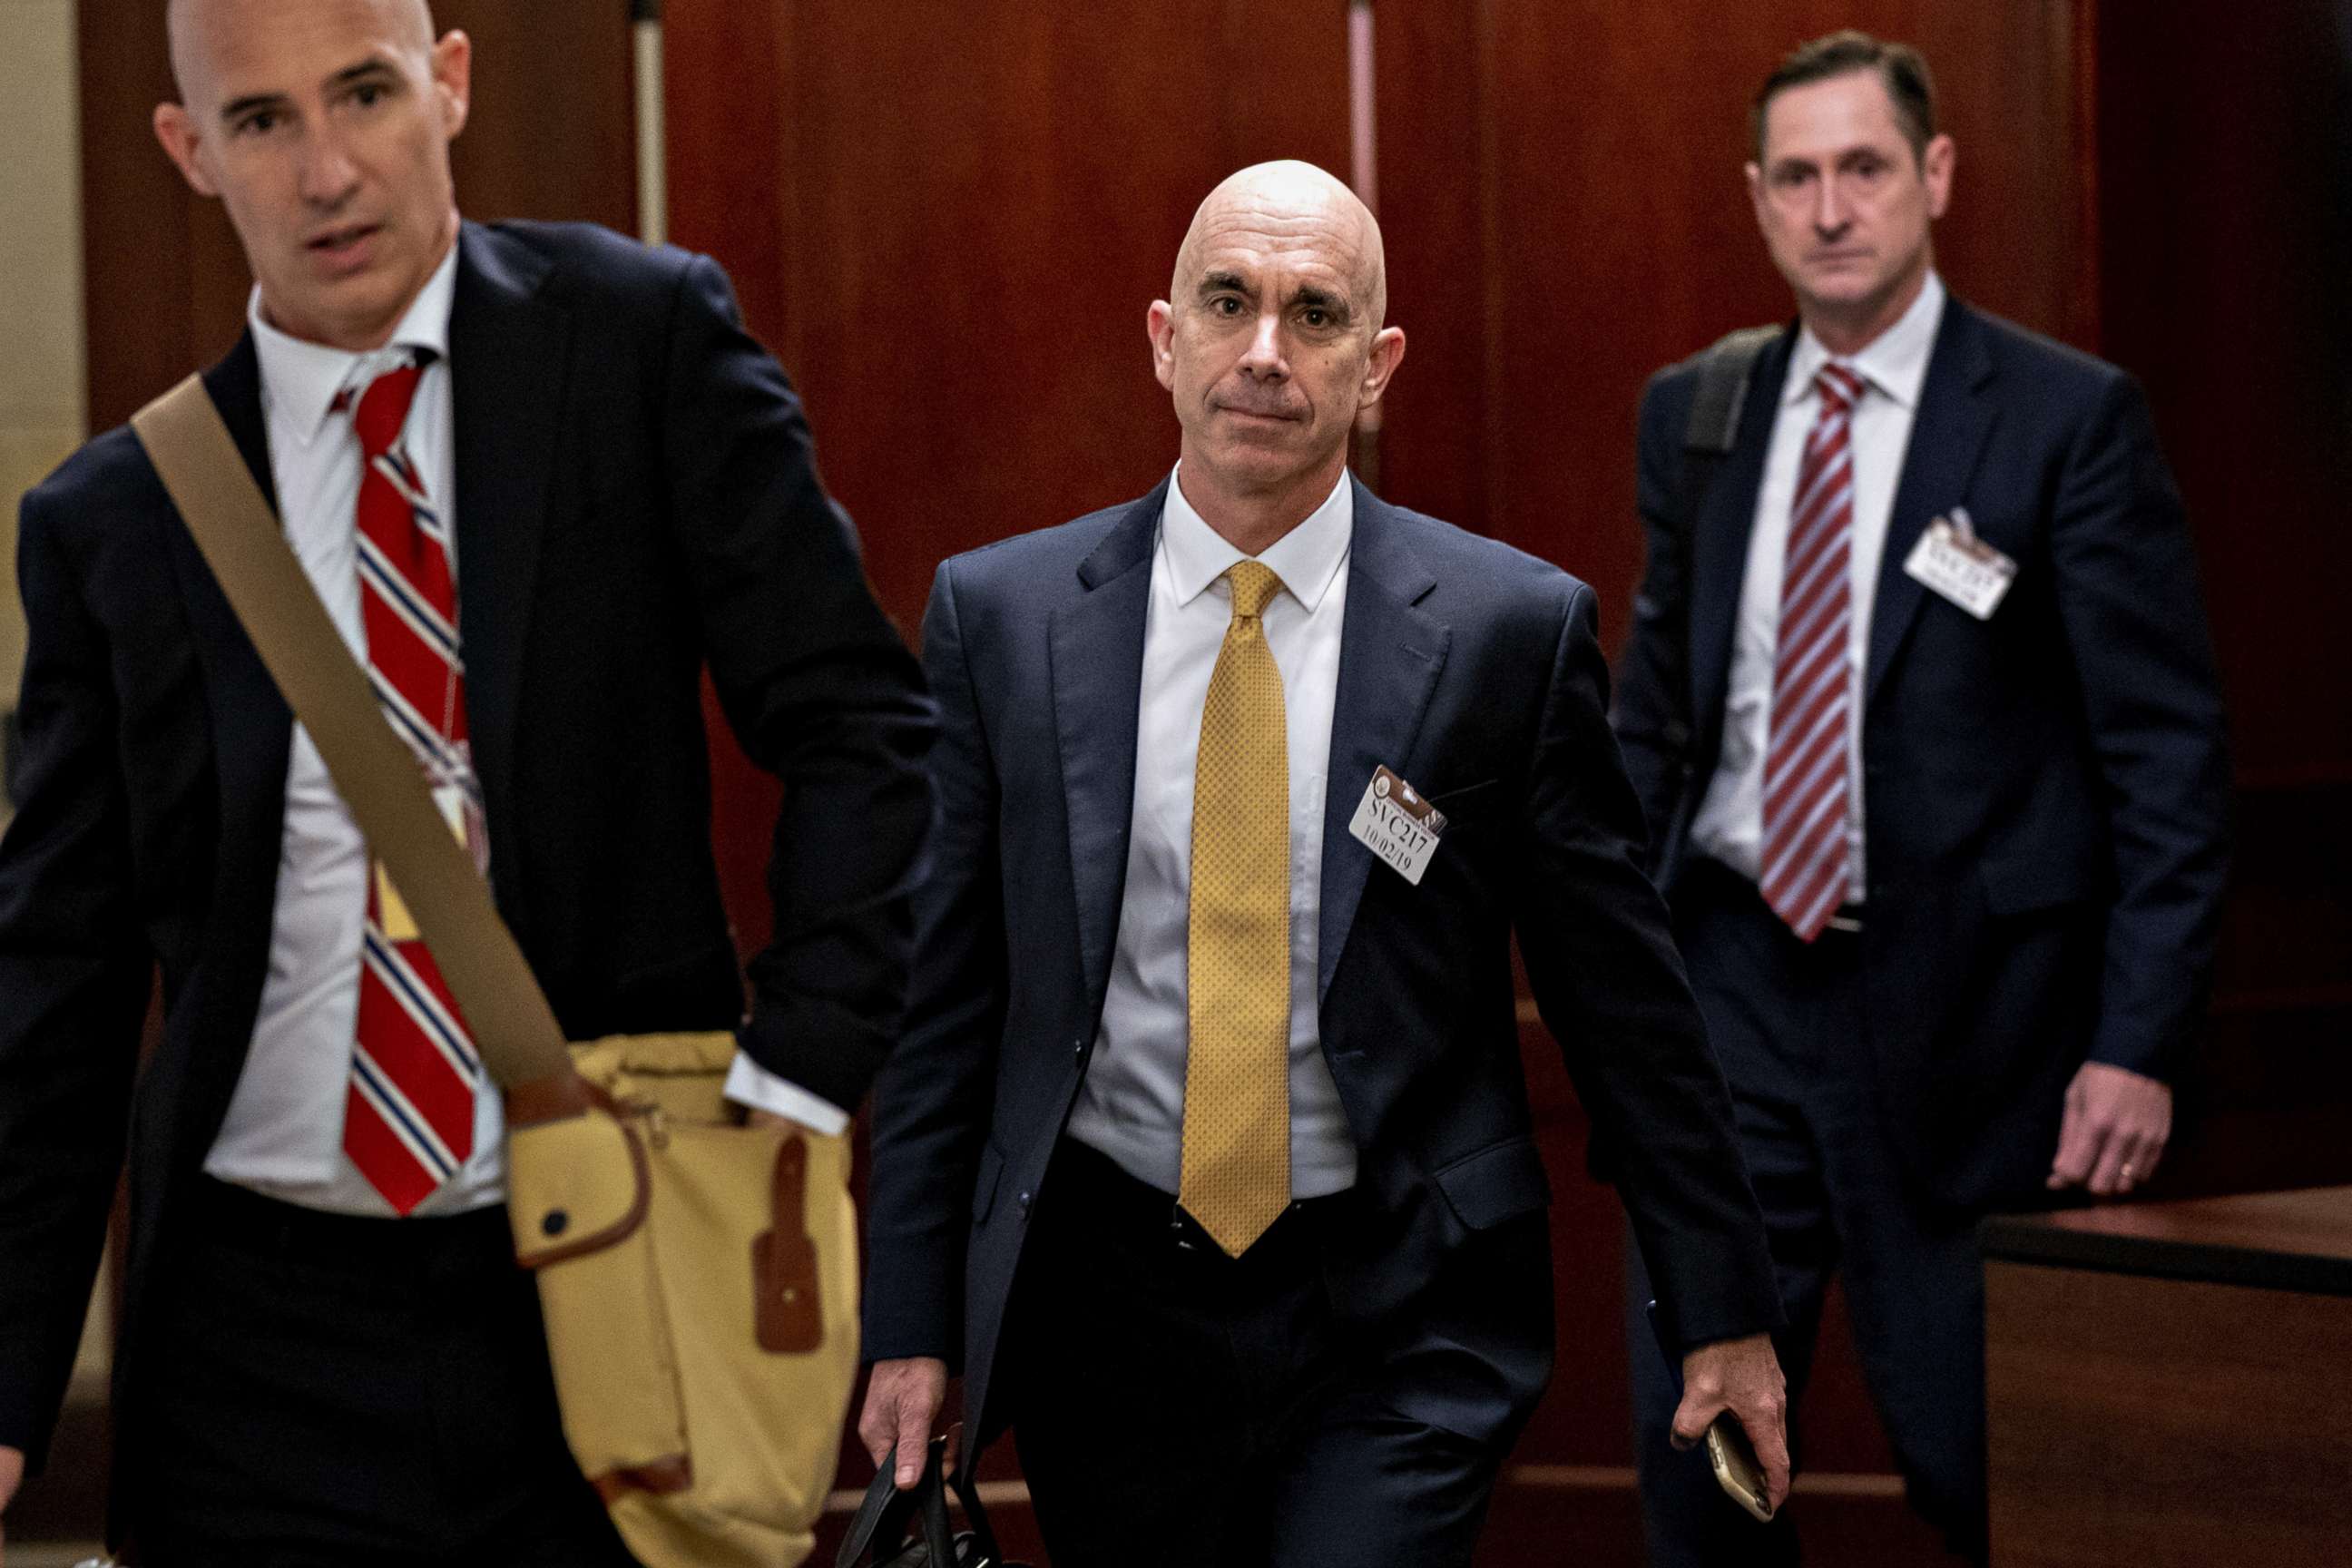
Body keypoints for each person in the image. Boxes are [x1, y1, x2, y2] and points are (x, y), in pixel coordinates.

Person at [0, 0, 932, 1561]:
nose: (326, 171)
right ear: (190, 153)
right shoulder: (116, 518)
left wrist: (796, 1073)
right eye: (262, 122)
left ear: (449, 84)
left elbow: (863, 730)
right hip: (249, 1326)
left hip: (608, 1275)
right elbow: (57, 983)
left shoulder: (641, 344)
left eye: (363, 93)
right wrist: (12, 1393)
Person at [855, 159, 1789, 1567]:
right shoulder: (1005, 620)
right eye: (1228, 303)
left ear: (1379, 364)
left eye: (1318, 314)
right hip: (1106, 1312)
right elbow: (944, 1018)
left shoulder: (1505, 633)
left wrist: (1722, 1309)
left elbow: (1629, 1013)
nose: (1266, 353)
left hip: (1404, 1308)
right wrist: (912, 1329)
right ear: (1165, 339)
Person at [1612, 31, 2230, 1565]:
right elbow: (1653, 725)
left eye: (1866, 168)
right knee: (1700, 1472)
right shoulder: (1699, 415)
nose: (1833, 208)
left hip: (1975, 1028)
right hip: (1733, 986)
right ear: (1758, 201)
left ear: (1935, 177)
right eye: (1800, 177)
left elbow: (2165, 756)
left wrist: (2136, 1045)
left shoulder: (2061, 419)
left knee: (1984, 1472)